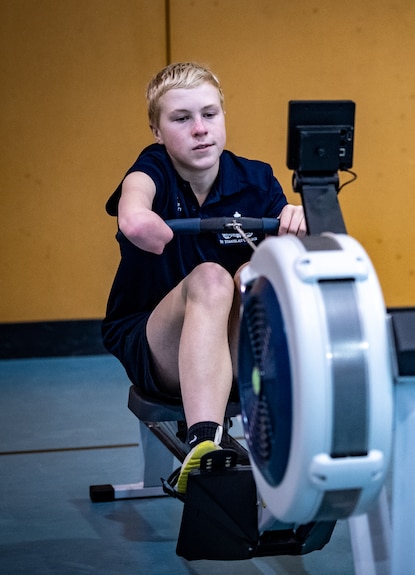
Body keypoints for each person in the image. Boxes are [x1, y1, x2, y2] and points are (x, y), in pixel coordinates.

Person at [102, 62, 306, 493]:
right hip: (153, 341)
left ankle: (284, 435)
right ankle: (204, 444)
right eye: (181, 118)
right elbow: (134, 201)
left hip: (230, 349)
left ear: (223, 117)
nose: (200, 129)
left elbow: (288, 273)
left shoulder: (257, 179)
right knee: (212, 278)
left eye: (209, 114)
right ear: (156, 130)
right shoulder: (152, 168)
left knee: (256, 273)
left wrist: (298, 223)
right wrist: (135, 215)